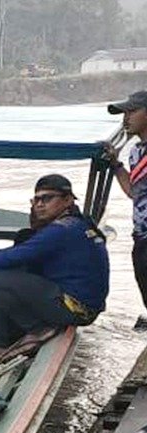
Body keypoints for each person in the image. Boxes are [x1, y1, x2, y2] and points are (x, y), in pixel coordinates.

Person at [0, 174, 108, 366]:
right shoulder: (79, 223)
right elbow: (19, 256)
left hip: (75, 307)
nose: (39, 204)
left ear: (67, 200)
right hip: (83, 305)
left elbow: (17, 255)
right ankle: (13, 338)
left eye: (47, 198)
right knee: (6, 275)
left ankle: (35, 330)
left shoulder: (61, 230)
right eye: (36, 199)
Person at [102, 90, 147, 331]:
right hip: (140, 234)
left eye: (131, 112)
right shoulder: (137, 152)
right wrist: (116, 164)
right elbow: (134, 192)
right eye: (124, 113)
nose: (125, 118)